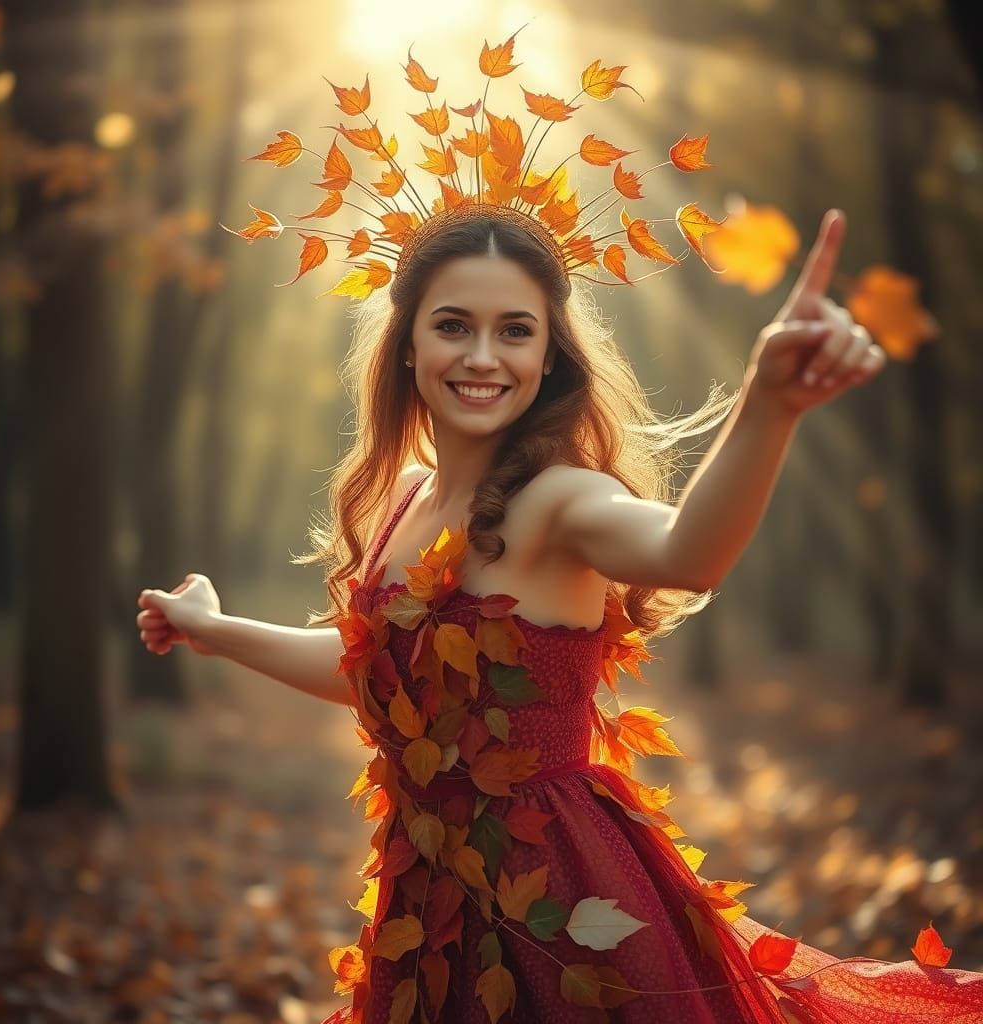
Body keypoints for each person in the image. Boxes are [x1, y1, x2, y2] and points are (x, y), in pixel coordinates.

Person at [136, 205, 983, 1022]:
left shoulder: (561, 502)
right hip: (425, 904)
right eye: (453, 325)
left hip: (565, 907)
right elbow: (376, 675)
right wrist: (213, 628)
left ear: (549, 357)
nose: (483, 355)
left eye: (515, 330)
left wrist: (770, 406)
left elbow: (689, 551)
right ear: (406, 346)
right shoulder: (402, 501)